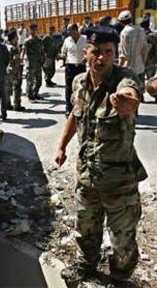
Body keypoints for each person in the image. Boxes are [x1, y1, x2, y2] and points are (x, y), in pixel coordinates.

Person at [55, 26, 148, 286]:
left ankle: (119, 276)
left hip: (119, 182)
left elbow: (131, 91)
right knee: (85, 231)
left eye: (109, 52)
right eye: (96, 52)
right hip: (87, 176)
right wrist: (62, 146)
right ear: (86, 53)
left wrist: (129, 100)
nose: (102, 58)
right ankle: (87, 266)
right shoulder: (79, 82)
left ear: (115, 54)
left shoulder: (124, 79)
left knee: (122, 241)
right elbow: (75, 114)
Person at [118, 10, 149, 101]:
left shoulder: (124, 32)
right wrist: (143, 62)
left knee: (128, 91)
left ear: (122, 22)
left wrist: (119, 68)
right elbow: (145, 49)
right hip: (140, 65)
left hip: (128, 67)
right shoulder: (141, 30)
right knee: (138, 89)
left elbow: (123, 54)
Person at [60, 23, 87, 116]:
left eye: (69, 30)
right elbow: (63, 51)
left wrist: (86, 58)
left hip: (81, 66)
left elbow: (90, 50)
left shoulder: (85, 39)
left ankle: (81, 108)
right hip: (70, 66)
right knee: (69, 89)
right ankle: (69, 109)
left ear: (76, 30)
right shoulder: (67, 40)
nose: (68, 32)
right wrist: (63, 56)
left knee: (82, 88)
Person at [22, 23, 44, 101]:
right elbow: (23, 51)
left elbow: (42, 51)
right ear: (30, 30)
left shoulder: (39, 40)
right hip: (30, 64)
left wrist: (42, 60)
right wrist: (21, 60)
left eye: (36, 29)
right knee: (30, 81)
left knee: (39, 81)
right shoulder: (27, 41)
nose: (35, 31)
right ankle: (30, 96)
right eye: (33, 29)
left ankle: (35, 93)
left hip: (38, 64)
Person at [5, 30, 26, 111]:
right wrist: (18, 71)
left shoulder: (5, 46)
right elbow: (16, 61)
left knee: (7, 88)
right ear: (14, 38)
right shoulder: (14, 49)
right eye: (16, 37)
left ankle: (7, 105)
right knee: (17, 88)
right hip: (14, 70)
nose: (17, 39)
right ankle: (17, 105)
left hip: (6, 70)